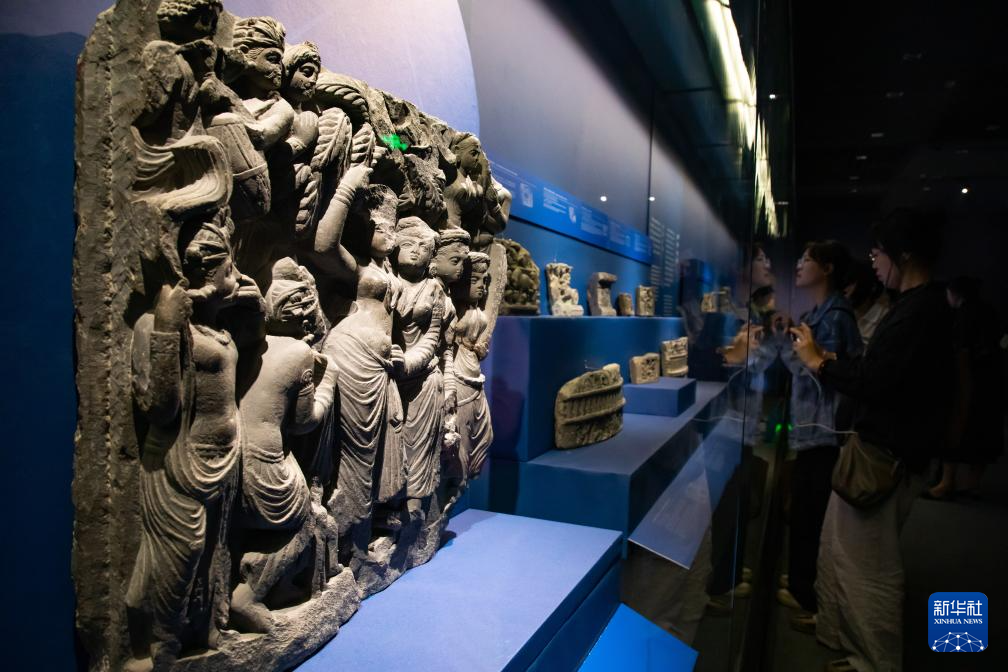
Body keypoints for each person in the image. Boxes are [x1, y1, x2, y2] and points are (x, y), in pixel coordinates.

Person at [789, 209, 954, 672]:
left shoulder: (920, 311)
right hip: (873, 449)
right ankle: (840, 633)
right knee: (839, 549)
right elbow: (877, 369)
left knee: (869, 565)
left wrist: (820, 362)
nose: (874, 262)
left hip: (887, 455)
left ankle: (874, 660)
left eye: (880, 253)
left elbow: (878, 380)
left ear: (904, 254)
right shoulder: (914, 305)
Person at [775, 242, 863, 634]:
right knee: (806, 507)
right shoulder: (819, 313)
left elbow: (820, 371)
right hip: (814, 428)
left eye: (807, 259)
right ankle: (802, 580)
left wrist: (794, 352)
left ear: (827, 269)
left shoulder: (834, 316)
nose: (799, 264)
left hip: (823, 430)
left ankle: (806, 591)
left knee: (811, 510)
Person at [926, 276, 1005, 500]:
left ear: (954, 293)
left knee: (955, 428)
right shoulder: (990, 312)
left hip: (966, 378)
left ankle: (946, 482)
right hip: (992, 381)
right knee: (984, 432)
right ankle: (972, 484)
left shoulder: (962, 316)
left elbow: (959, 349)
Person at [842, 261, 890, 347]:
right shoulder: (843, 315)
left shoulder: (885, 318)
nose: (846, 290)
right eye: (846, 284)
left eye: (852, 283)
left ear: (872, 287)